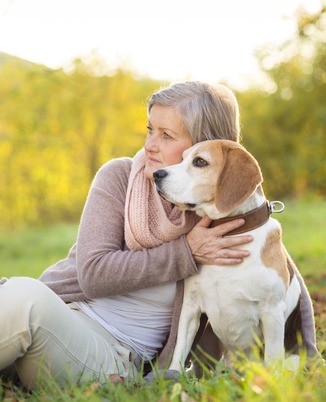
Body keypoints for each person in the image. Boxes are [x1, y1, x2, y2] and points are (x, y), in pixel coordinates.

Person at [0, 81, 319, 389]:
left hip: (110, 355)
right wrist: (186, 253)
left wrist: (303, 353)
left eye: (166, 135)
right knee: (21, 296)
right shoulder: (121, 177)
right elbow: (94, 273)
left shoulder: (220, 218)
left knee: (26, 300)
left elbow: (280, 283)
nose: (150, 144)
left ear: (204, 145)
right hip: (63, 316)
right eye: (150, 130)